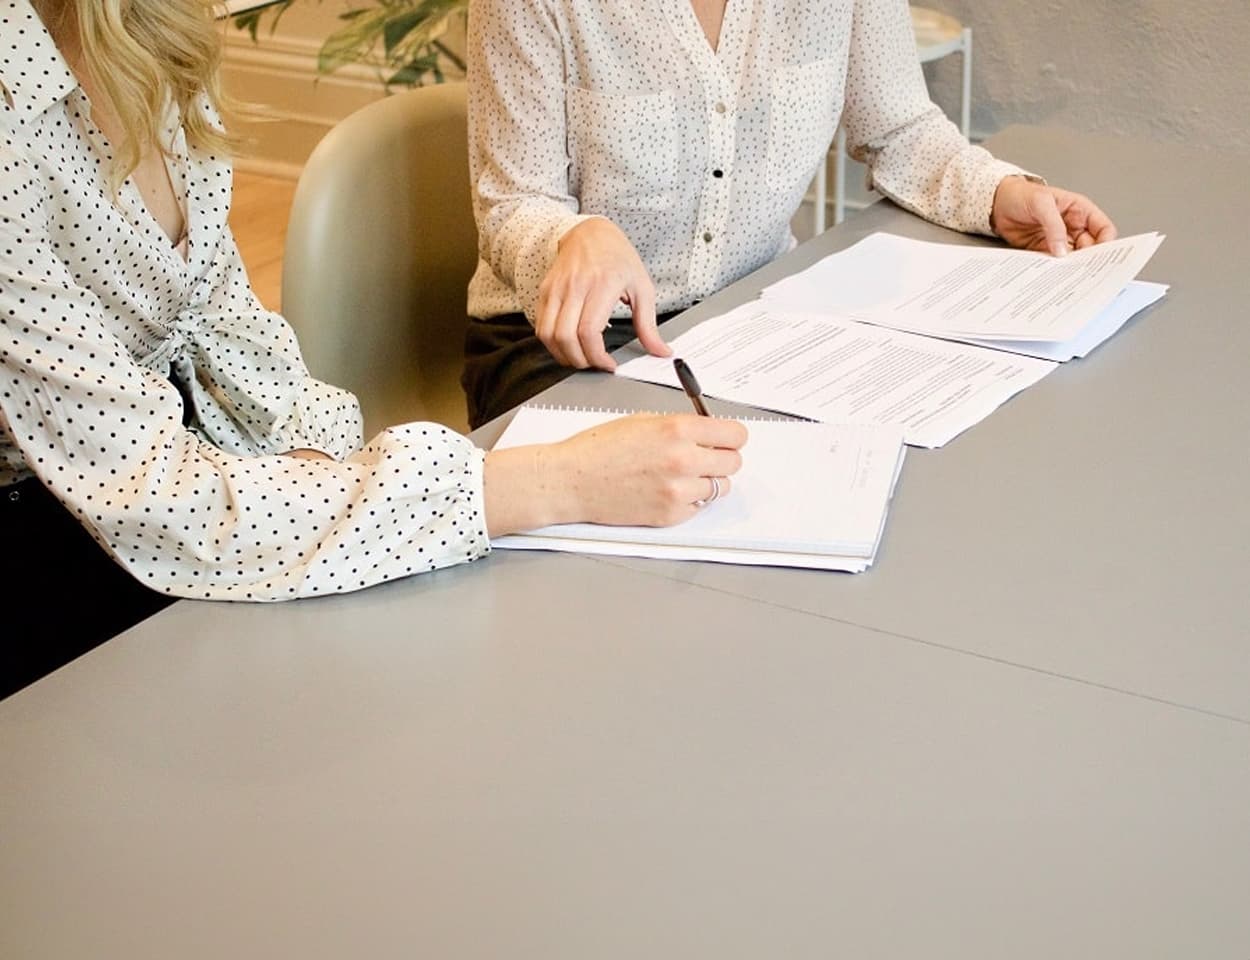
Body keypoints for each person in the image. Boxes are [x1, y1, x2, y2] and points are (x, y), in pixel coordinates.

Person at [0, 0, 747, 698]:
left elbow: (226, 330)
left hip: (186, 485)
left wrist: (317, 467)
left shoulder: (150, 36)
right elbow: (156, 497)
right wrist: (557, 482)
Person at [462, 0, 1119, 428]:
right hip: (565, 343)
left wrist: (999, 194)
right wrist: (575, 237)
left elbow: (899, 128)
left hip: (752, 322)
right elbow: (513, 203)